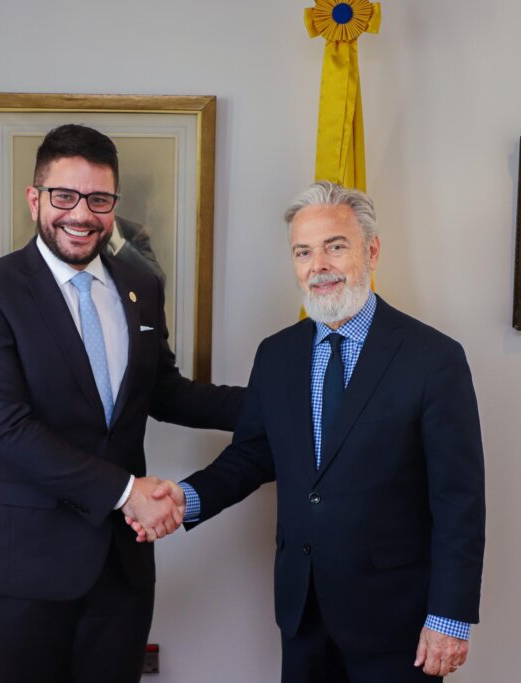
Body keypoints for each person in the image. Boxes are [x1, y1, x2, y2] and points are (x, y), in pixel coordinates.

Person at [132, 182, 486, 682]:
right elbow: (251, 456)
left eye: (335, 246)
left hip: (397, 621)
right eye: (303, 252)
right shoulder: (278, 355)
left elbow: (459, 500)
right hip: (303, 612)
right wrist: (183, 499)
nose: (318, 265)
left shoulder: (434, 360)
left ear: (372, 250)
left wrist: (449, 617)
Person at [0, 123, 243, 683]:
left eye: (99, 199)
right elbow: (8, 429)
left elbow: (162, 390)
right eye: (65, 196)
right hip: (27, 561)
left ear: (113, 205)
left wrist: (275, 404)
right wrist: (129, 492)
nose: (81, 214)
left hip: (121, 563)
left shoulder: (141, 284)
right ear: (35, 199)